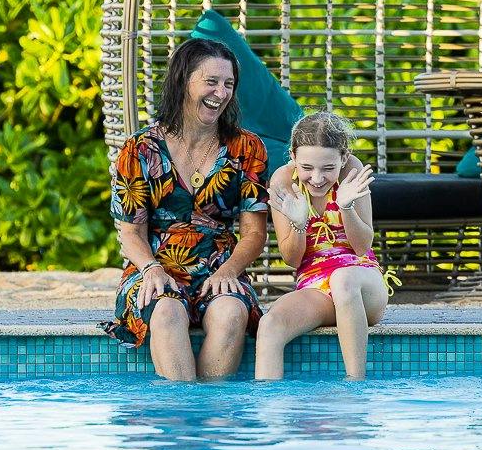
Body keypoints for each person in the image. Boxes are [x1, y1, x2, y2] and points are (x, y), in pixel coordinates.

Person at [103, 38, 268, 380]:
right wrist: (151, 269)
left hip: (220, 267)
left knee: (231, 314)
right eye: (211, 82)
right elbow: (130, 232)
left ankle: (209, 416)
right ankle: (181, 421)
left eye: (228, 84)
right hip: (154, 268)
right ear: (182, 80)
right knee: (165, 313)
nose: (221, 93)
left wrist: (228, 271)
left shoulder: (247, 148)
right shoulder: (138, 150)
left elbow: (254, 233)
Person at [255, 112, 388, 381]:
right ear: (292, 155)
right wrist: (299, 224)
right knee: (270, 324)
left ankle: (355, 387)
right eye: (307, 168)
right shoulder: (282, 181)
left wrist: (346, 207)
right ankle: (271, 412)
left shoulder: (352, 171)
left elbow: (362, 247)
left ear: (342, 156)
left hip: (362, 284)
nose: (317, 178)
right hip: (315, 285)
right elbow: (292, 260)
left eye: (328, 168)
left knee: (343, 279)